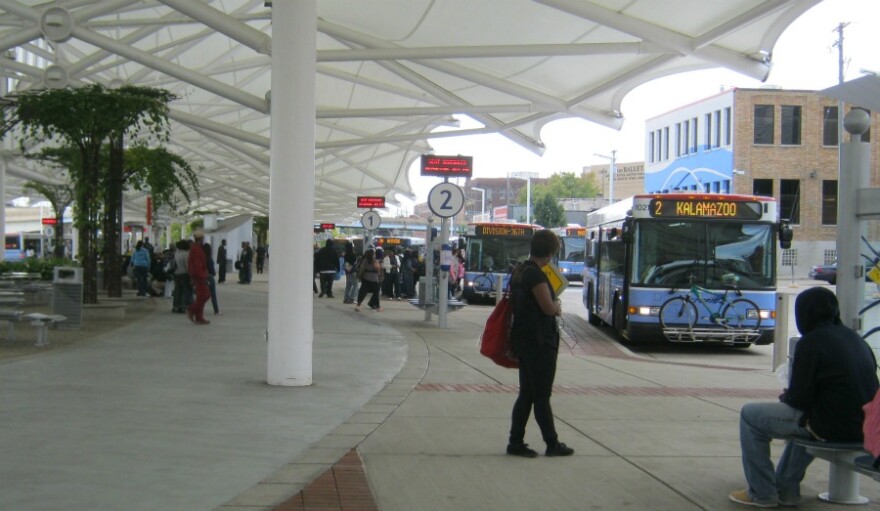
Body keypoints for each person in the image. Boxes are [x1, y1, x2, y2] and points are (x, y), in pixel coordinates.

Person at [728, 287, 879, 508]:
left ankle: (761, 493)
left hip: (833, 427)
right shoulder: (855, 340)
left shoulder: (811, 342)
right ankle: (786, 490)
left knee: (751, 415)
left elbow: (799, 399)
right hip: (865, 426)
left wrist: (786, 396)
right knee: (804, 419)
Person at [507, 229, 573, 458]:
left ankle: (515, 442)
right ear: (551, 251)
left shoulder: (520, 270)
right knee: (541, 395)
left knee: (527, 393)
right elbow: (547, 307)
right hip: (539, 342)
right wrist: (556, 306)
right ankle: (552, 443)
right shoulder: (536, 274)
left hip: (524, 340)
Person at [186, 230, 211, 325]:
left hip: (198, 276)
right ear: (201, 239)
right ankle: (192, 309)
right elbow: (197, 265)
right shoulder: (197, 249)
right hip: (200, 276)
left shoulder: (195, 249)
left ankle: (199, 317)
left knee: (201, 296)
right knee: (205, 294)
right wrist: (203, 276)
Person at [355, 248, 382, 312]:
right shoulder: (375, 261)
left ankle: (358, 305)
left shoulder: (365, 260)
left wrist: (359, 276)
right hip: (374, 279)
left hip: (366, 278)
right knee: (376, 293)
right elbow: (378, 270)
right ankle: (378, 307)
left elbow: (362, 269)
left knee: (362, 292)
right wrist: (379, 275)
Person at [172, 240, 192, 313]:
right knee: (184, 290)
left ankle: (176, 306)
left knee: (177, 290)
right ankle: (183, 306)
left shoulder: (176, 253)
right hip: (184, 274)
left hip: (176, 273)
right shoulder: (186, 254)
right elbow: (187, 266)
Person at [203, 242, 221, 315]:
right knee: (212, 294)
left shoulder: (202, 257)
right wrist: (214, 273)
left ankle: (196, 306)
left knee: (203, 294)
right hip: (209, 277)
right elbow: (211, 269)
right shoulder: (209, 258)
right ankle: (216, 310)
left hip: (203, 277)